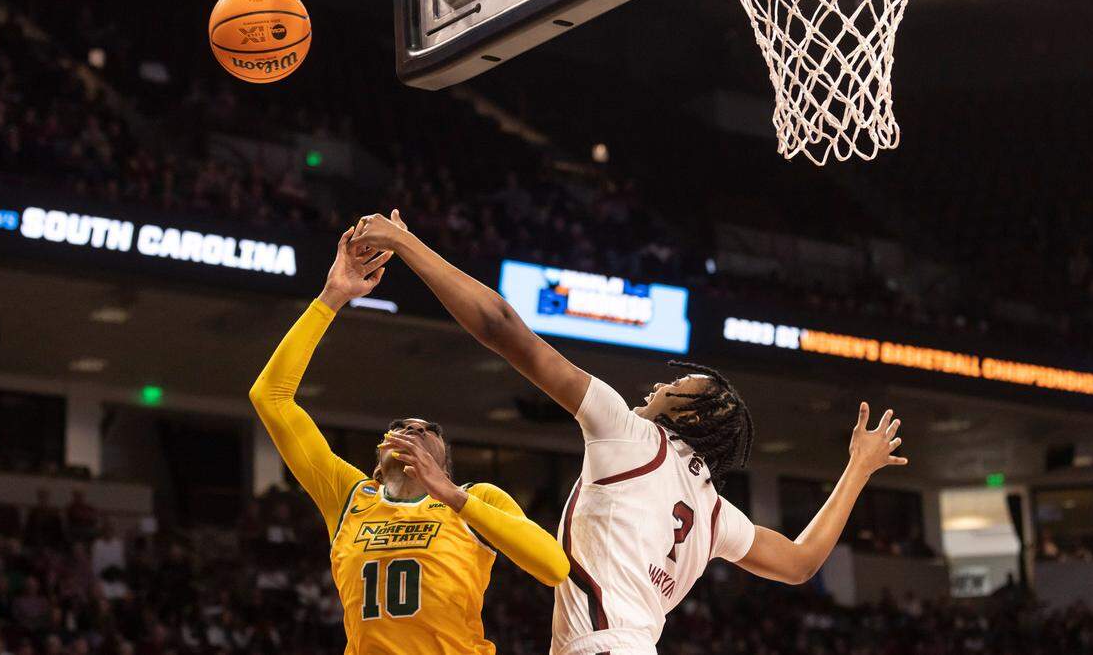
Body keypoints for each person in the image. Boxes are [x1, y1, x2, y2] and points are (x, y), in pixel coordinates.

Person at [353, 210, 911, 655]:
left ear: (692, 416)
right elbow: (798, 563)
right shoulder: (714, 514)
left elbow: (504, 328)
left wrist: (408, 245)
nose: (656, 389)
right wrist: (858, 469)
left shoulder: (628, 435)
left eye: (678, 386)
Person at [248, 226, 569, 655]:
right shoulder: (349, 495)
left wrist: (453, 496)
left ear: (444, 465)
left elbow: (553, 567)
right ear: (378, 464)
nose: (413, 429)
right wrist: (331, 298)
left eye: (427, 430)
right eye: (400, 427)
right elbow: (270, 398)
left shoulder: (476, 499)